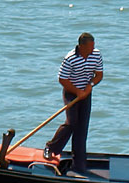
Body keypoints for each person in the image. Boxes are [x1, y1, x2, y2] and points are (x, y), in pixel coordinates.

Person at [44, 33, 102, 174]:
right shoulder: (70, 58)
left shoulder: (96, 55)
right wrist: (77, 91)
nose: (93, 49)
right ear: (81, 46)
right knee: (71, 122)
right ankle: (51, 148)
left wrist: (90, 85)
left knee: (82, 129)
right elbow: (62, 80)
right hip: (71, 92)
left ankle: (79, 165)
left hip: (86, 93)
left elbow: (99, 74)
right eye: (90, 47)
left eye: (94, 46)